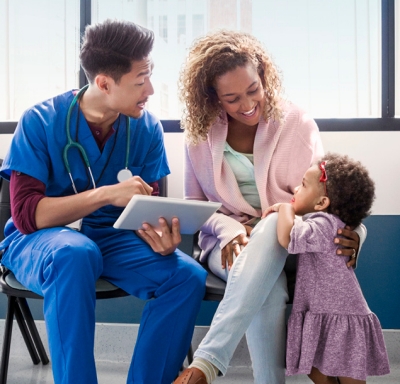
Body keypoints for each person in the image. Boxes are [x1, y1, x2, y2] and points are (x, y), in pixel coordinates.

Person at [0, 19, 207, 384]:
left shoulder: (146, 128)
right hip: (41, 240)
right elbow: (29, 216)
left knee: (186, 275)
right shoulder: (39, 121)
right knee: (76, 253)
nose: (151, 89)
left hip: (112, 238)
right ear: (104, 83)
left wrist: (162, 236)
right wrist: (107, 194)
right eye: (140, 80)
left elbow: (150, 208)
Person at [174, 30, 366, 384]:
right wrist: (230, 229)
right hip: (228, 243)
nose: (247, 104)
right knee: (269, 288)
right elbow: (196, 207)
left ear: (263, 76)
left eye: (253, 90)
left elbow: (330, 197)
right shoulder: (199, 135)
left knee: (268, 226)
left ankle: (206, 363)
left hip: (295, 240)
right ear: (211, 97)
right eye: (231, 98)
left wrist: (358, 233)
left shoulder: (298, 124)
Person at [263, 153, 390, 383]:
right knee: (317, 369)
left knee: (338, 373)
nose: (295, 191)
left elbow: (288, 238)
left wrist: (285, 209)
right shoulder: (328, 223)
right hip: (329, 312)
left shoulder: (322, 225)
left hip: (338, 314)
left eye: (302, 185)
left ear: (322, 203)